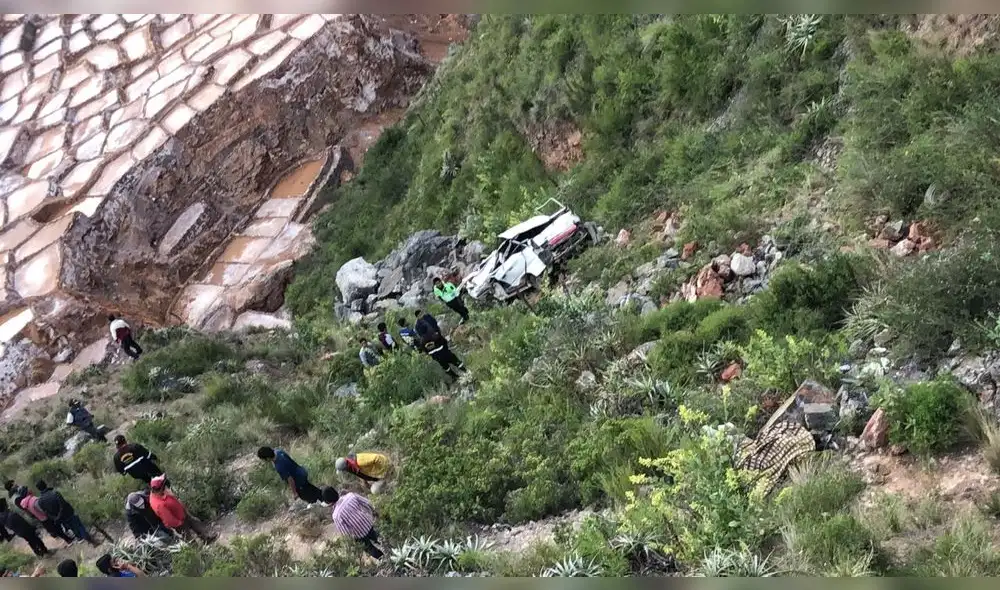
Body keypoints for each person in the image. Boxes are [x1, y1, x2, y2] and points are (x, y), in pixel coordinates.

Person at [148, 475, 216, 543]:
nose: (165, 486)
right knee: (189, 538)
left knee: (196, 525)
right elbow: (169, 519)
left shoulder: (159, 493)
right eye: (163, 484)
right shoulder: (159, 505)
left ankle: (207, 538)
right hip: (179, 522)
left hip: (182, 513)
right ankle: (198, 551)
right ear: (160, 488)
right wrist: (180, 523)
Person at [322, 487, 383, 560]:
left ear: (329, 503)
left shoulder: (336, 515)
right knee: (380, 538)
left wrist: (354, 542)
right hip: (368, 523)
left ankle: (382, 558)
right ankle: (389, 548)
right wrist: (374, 512)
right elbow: (367, 502)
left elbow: (346, 533)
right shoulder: (351, 496)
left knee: (370, 549)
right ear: (336, 492)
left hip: (359, 535)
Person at [36, 480, 98, 546]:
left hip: (59, 518)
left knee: (71, 527)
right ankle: (90, 540)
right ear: (45, 484)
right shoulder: (55, 493)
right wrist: (60, 514)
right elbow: (62, 504)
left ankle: (80, 537)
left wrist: (56, 518)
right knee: (78, 526)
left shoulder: (40, 501)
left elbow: (46, 512)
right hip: (68, 513)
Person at [256, 447, 323, 504]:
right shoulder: (279, 452)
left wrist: (295, 493)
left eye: (263, 459)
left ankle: (324, 502)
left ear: (267, 458)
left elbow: (290, 479)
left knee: (310, 497)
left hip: (298, 481)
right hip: (301, 472)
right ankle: (326, 496)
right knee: (312, 490)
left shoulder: (279, 466)